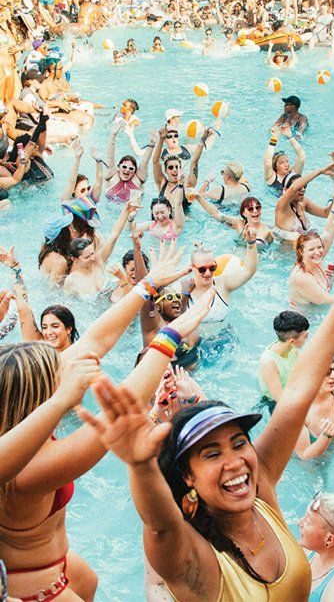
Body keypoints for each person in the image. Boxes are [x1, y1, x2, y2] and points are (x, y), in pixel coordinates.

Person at [77, 245, 334, 602]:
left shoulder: (259, 486)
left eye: (239, 442)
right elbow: (161, 526)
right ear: (188, 476)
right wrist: (140, 466)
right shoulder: (195, 558)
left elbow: (296, 393)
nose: (235, 462)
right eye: (212, 454)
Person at [0, 245, 199, 601]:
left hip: (53, 561)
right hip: (36, 586)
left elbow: (94, 341)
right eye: (56, 378)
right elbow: (122, 411)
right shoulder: (27, 471)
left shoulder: (13, 427)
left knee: (89, 582)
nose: (67, 371)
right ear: (39, 396)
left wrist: (146, 285)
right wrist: (168, 337)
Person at [259, 310, 309, 411]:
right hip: (274, 404)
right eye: (306, 336)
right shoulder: (269, 363)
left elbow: (306, 371)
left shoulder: (292, 349)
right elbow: (280, 401)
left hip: (292, 392)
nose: (307, 339)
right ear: (292, 341)